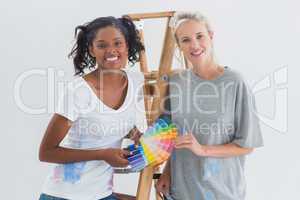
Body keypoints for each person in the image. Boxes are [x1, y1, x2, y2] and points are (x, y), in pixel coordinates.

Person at [156, 11, 263, 200]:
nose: (194, 45)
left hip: (221, 191)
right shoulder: (177, 82)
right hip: (181, 191)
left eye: (199, 36)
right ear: (179, 46)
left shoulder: (235, 82)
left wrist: (203, 150)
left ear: (210, 36)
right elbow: (175, 135)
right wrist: (167, 172)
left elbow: (246, 145)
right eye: (186, 40)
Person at [39, 16, 147, 200]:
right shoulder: (79, 92)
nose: (111, 50)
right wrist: (102, 154)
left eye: (117, 43)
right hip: (65, 195)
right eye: (102, 45)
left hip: (101, 193)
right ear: (91, 49)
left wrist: (135, 135)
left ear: (127, 45)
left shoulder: (137, 81)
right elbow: (46, 152)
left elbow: (113, 121)